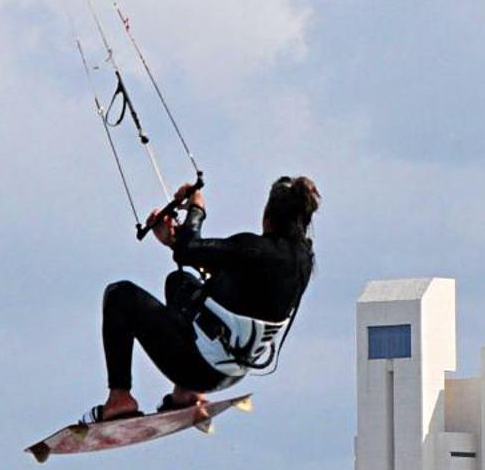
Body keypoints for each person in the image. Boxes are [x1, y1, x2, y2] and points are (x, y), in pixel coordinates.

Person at [86, 175, 319, 423]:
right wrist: (174, 241)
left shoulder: (253, 249)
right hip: (233, 371)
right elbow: (215, 271)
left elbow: (191, 250)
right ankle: (185, 393)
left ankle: (119, 396)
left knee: (119, 295)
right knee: (179, 283)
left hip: (196, 366)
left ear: (268, 216)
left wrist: (197, 209)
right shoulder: (303, 261)